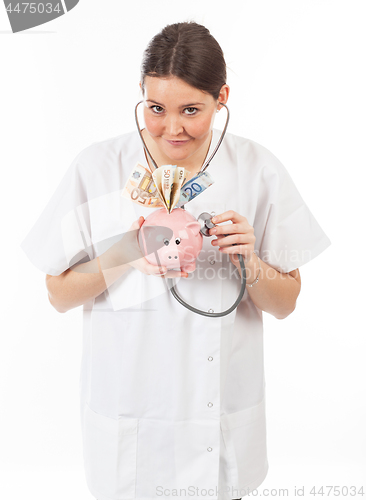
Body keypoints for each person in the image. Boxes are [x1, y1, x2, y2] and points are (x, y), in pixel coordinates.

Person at [20, 21, 331, 500]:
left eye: (192, 110)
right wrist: (126, 250)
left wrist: (246, 257)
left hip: (219, 421)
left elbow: (286, 302)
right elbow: (57, 294)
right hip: (130, 420)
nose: (172, 128)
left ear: (222, 97)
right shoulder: (98, 166)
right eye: (156, 108)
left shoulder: (258, 168)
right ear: (141, 95)